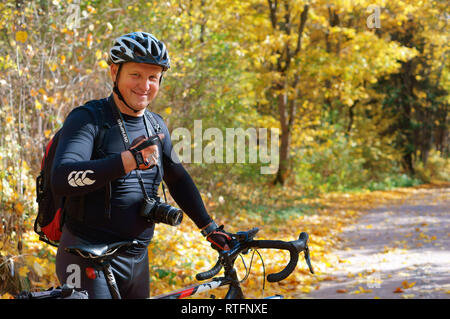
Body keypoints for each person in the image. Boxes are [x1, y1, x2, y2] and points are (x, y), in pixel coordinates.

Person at [52, 32, 232, 299]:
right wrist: (127, 161)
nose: (144, 85)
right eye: (135, 75)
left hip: (136, 258)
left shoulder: (156, 125)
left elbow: (178, 178)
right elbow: (62, 178)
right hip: (86, 255)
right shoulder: (88, 119)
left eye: (152, 77)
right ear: (115, 73)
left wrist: (209, 228)